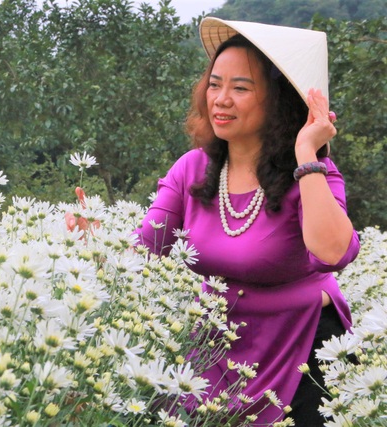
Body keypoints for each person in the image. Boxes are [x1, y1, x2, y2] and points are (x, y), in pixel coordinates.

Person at [134, 18, 360, 426]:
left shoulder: (313, 173)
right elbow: (144, 249)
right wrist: (90, 237)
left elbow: (334, 254)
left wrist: (307, 153)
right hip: (215, 353)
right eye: (214, 84)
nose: (219, 99)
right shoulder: (192, 169)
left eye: (240, 88)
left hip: (304, 354)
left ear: (278, 101)